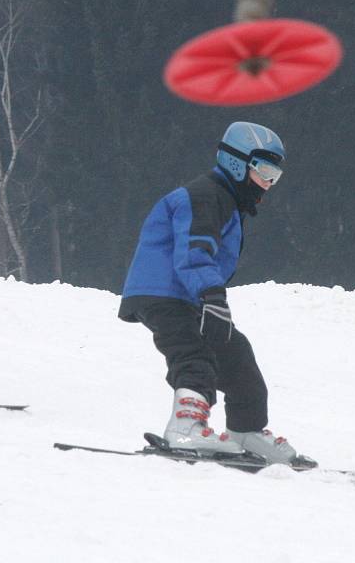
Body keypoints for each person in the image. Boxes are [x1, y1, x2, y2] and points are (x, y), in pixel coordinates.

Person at [118, 121, 312, 465]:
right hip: (162, 292)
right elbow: (194, 251)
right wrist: (212, 295)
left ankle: (246, 430)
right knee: (194, 354)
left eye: (275, 176)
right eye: (265, 171)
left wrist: (209, 298)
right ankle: (185, 426)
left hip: (187, 294)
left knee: (236, 355)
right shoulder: (205, 196)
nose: (268, 184)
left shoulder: (227, 202)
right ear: (238, 162)